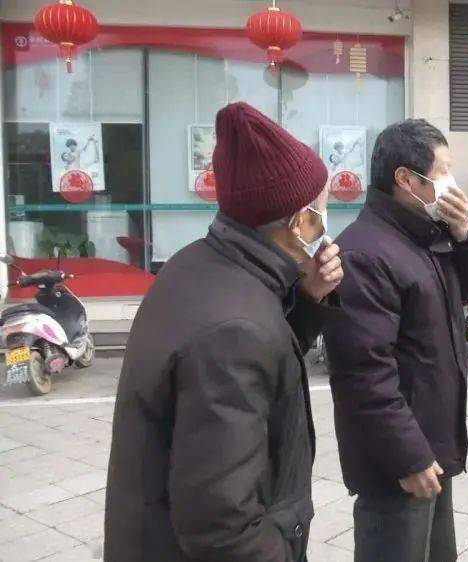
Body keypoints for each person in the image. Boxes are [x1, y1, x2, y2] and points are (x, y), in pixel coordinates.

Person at [105, 102, 343, 562]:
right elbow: (224, 529)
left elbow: (264, 372)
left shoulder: (198, 264)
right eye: (322, 209)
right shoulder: (235, 332)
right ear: (300, 223)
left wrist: (309, 295)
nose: (326, 222)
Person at [323, 118, 468, 562]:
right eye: (442, 171)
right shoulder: (365, 253)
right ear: (405, 178)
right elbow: (364, 374)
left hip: (431, 446)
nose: (451, 183)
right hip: (398, 462)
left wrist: (465, 234)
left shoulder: (424, 237)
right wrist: (407, 456)